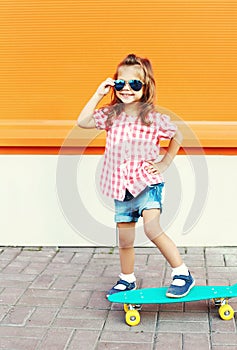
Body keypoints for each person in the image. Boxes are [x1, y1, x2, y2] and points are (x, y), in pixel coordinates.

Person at [77, 53, 195, 298]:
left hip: (147, 184)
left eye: (135, 84)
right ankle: (127, 279)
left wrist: (164, 163)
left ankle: (182, 273)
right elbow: (83, 121)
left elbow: (178, 136)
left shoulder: (152, 118)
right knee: (125, 240)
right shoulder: (111, 115)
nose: (127, 89)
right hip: (121, 188)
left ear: (146, 86)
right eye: (120, 83)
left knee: (152, 230)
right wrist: (99, 93)